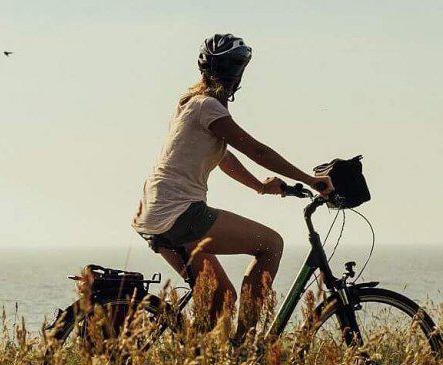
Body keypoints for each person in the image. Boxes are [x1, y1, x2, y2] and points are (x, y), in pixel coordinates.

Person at [132, 34, 332, 341]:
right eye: (235, 69)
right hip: (181, 214)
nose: (236, 76)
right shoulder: (208, 107)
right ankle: (243, 348)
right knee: (271, 245)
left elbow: (224, 157)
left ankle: (199, 361)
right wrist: (312, 180)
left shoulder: (189, 104)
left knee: (220, 296)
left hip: (154, 214)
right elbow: (257, 151)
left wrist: (260, 187)